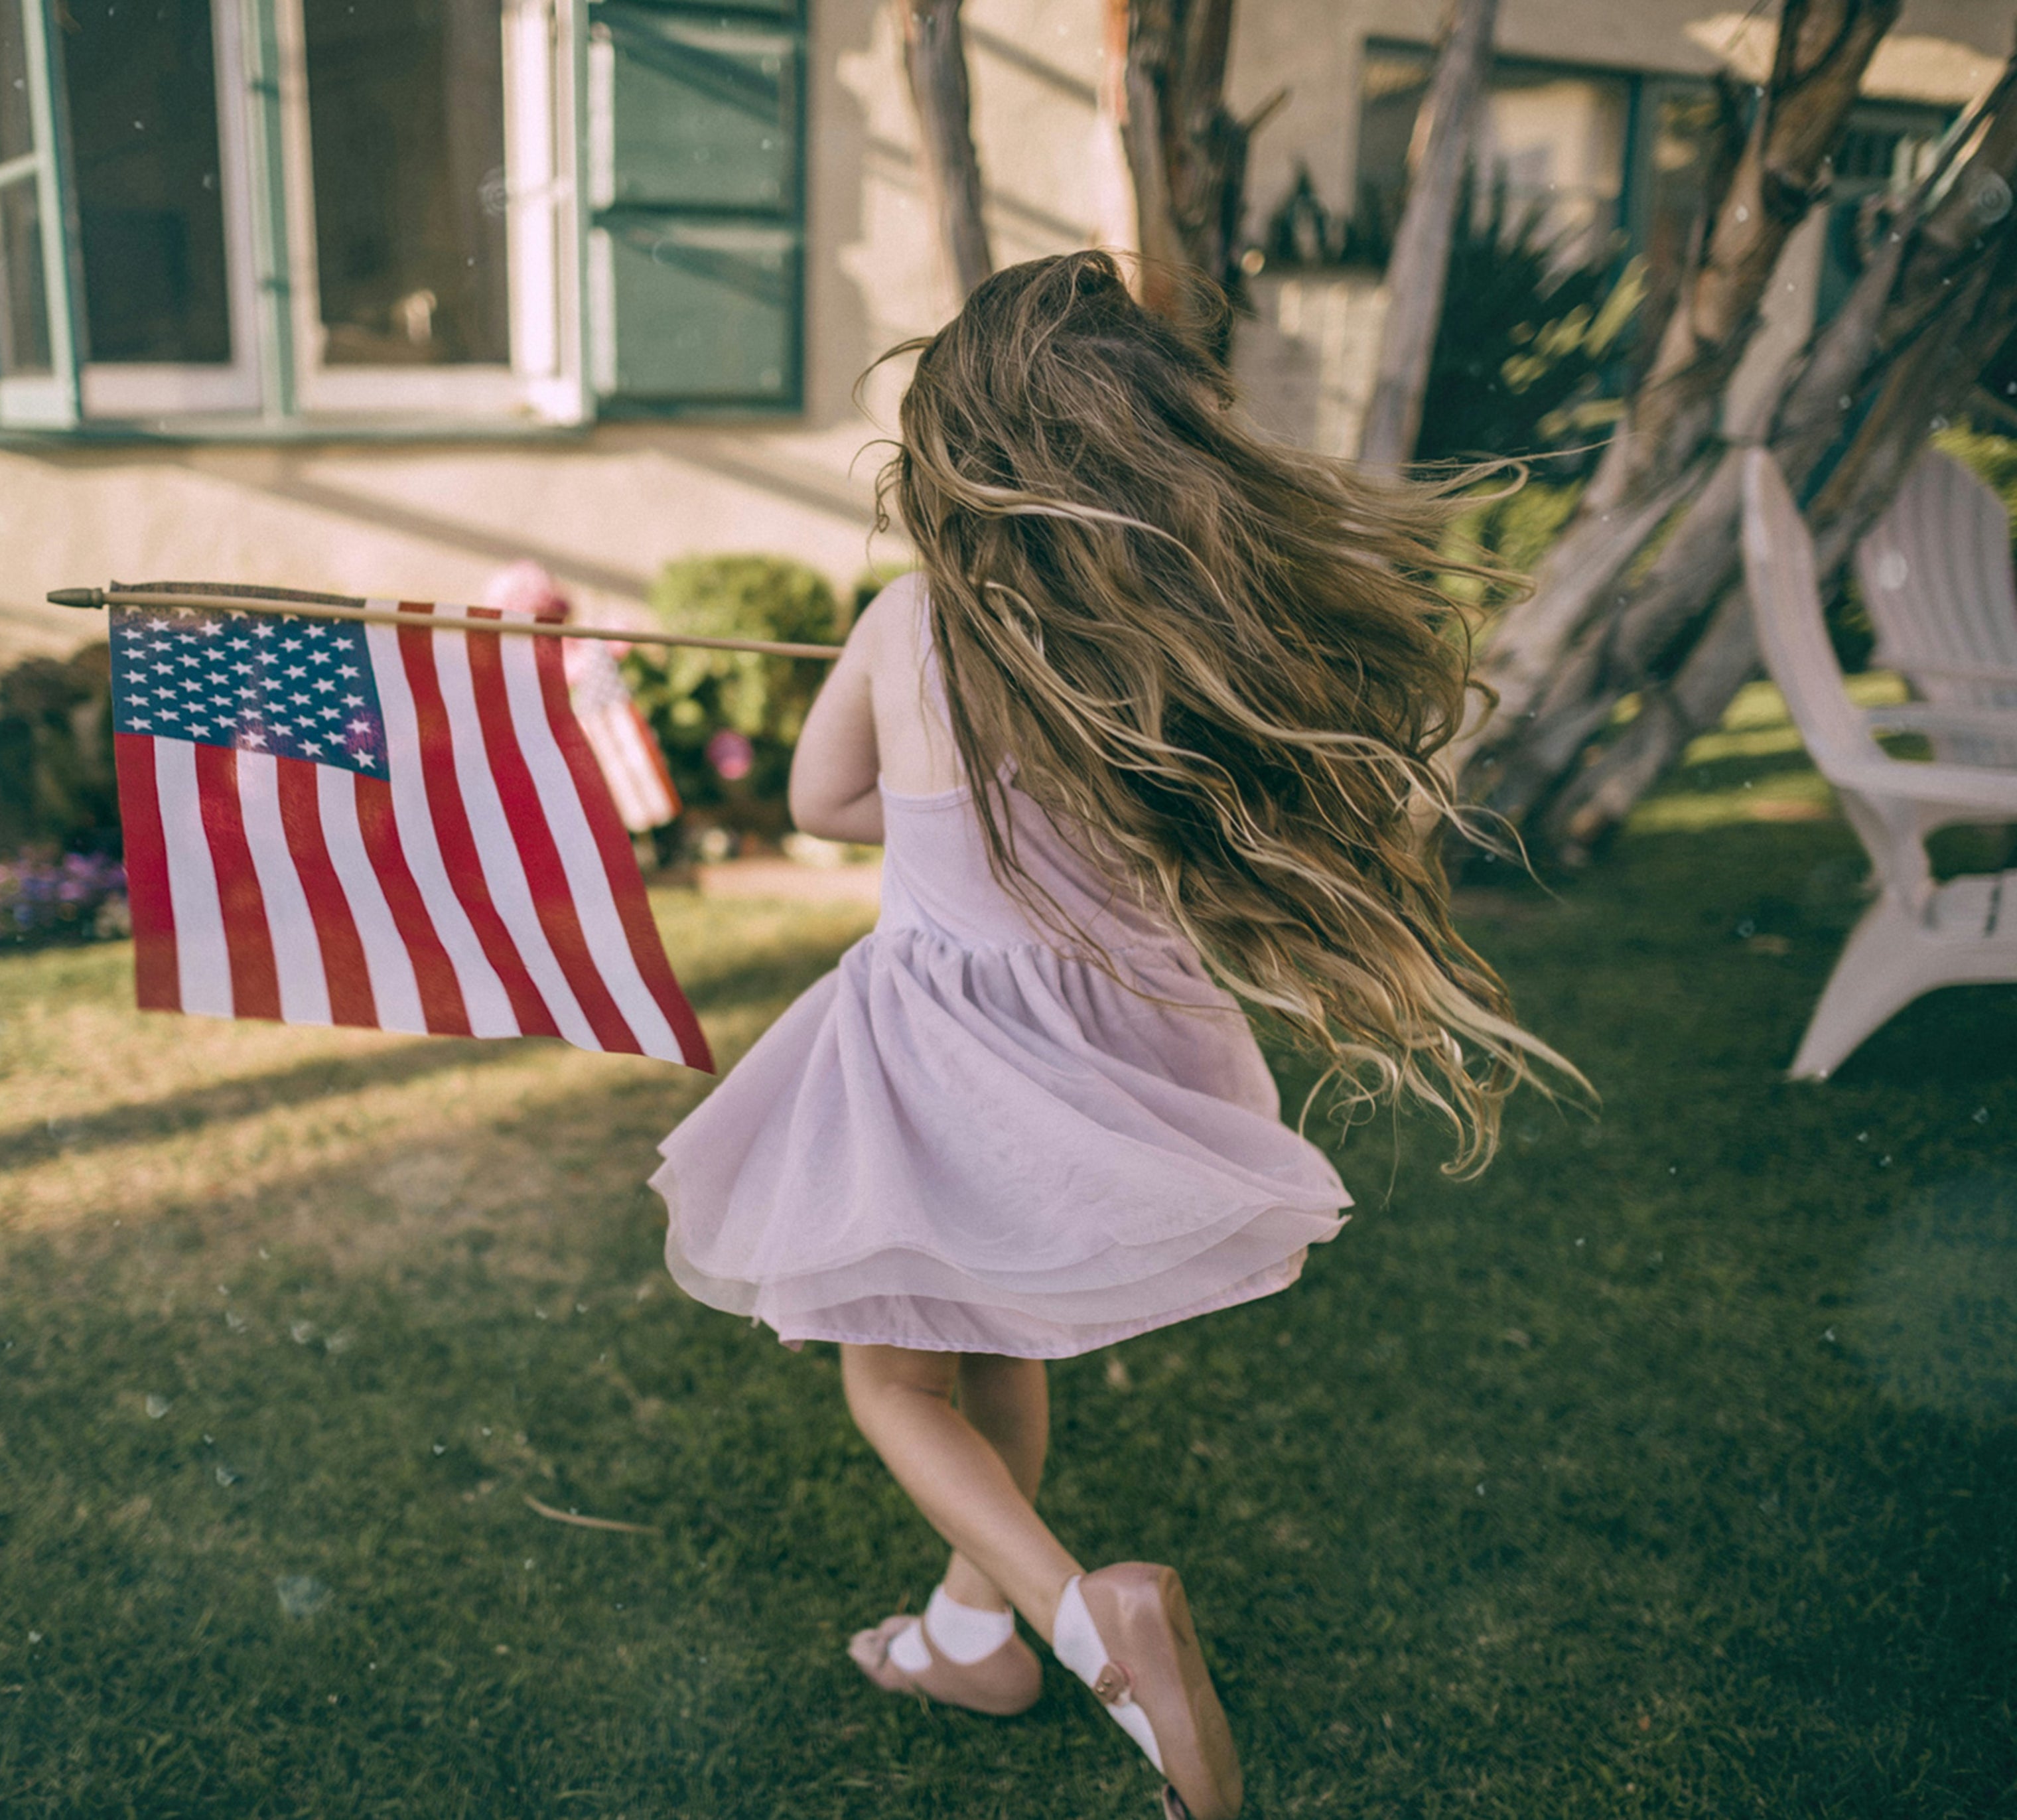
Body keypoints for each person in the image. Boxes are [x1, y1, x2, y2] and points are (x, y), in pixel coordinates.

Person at [648, 253, 1579, 1819]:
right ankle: (969, 1633)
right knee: (1000, 1340)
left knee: (895, 1388)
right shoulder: (1156, 643)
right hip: (1115, 1047)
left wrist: (917, 774)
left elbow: (817, 806)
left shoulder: (905, 621)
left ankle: (1090, 1627)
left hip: (946, 1045)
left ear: (960, 451)